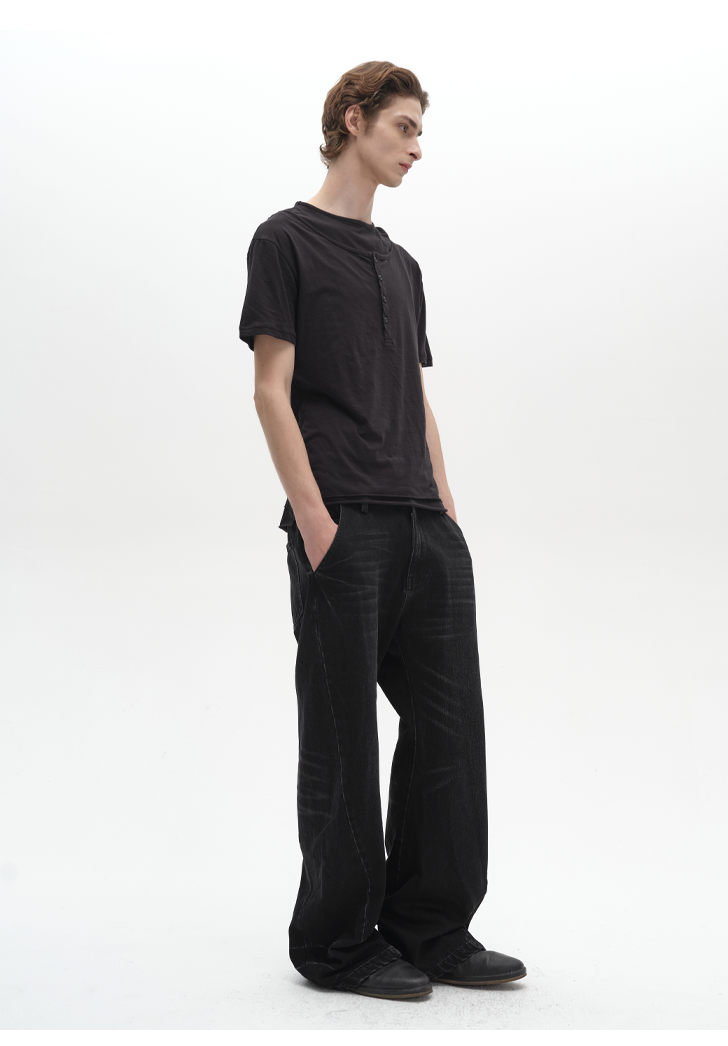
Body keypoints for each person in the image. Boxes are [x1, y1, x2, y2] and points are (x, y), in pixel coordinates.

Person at [239, 61, 526, 1001]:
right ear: (354, 121)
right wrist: (316, 520)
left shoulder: (402, 265)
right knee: (342, 742)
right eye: (404, 127)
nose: (416, 148)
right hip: (344, 526)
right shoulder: (284, 240)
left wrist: (446, 510)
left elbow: (416, 396)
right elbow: (270, 390)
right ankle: (337, 945)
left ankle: (431, 927)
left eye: (420, 131)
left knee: (450, 734)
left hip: (423, 528)